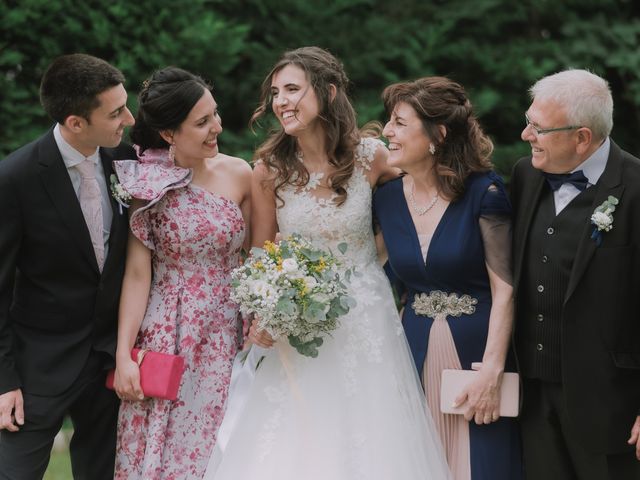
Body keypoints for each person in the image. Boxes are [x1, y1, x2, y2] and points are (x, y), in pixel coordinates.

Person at [203, 46, 451, 480]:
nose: (281, 101)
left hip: (367, 317)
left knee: (373, 435)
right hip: (297, 325)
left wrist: (376, 256)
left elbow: (415, 206)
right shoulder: (268, 170)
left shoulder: (371, 157)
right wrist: (267, 308)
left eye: (293, 89)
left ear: (329, 91)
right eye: (276, 91)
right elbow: (263, 253)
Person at [373, 77, 522, 480]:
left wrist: (491, 371)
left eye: (400, 123)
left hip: (476, 357)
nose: (387, 131)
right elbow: (363, 271)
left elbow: (505, 291)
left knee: (484, 466)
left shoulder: (483, 192)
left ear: (438, 134)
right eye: (390, 121)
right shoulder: (385, 199)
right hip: (413, 354)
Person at [111, 67, 251, 479]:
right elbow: (138, 276)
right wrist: (124, 356)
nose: (216, 128)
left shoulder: (242, 173)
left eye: (215, 114)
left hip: (230, 333)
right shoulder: (147, 184)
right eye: (202, 122)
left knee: (227, 443)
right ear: (169, 134)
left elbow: (257, 257)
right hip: (169, 333)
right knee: (168, 450)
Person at [0, 53, 135, 479]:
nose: (129, 119)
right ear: (76, 122)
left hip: (109, 364)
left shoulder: (126, 160)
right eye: (115, 112)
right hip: (38, 365)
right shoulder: (14, 178)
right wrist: (3, 381)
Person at [511, 69, 640, 479]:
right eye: (528, 120)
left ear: (582, 137)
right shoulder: (524, 176)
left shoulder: (637, 189)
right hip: (531, 401)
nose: (525, 134)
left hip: (612, 409)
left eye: (538, 127)